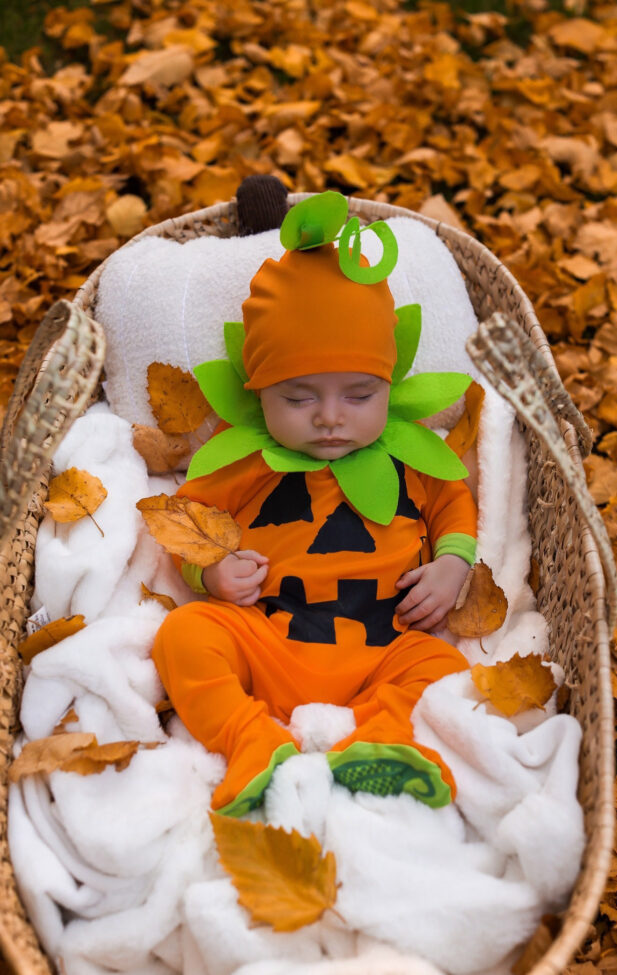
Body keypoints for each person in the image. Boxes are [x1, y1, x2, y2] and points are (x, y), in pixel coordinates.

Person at [151, 194, 478, 818]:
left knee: (441, 666)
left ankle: (381, 740)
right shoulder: (245, 458)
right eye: (299, 399)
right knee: (184, 634)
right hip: (270, 640)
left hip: (387, 645)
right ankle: (251, 741)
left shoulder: (411, 456)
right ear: (260, 391)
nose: (331, 418)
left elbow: (455, 507)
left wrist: (451, 566)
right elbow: (185, 523)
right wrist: (210, 571)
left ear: (389, 385)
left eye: (359, 394)